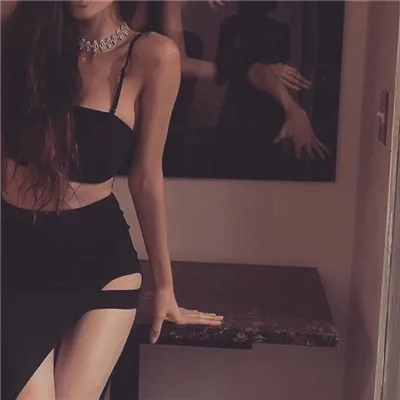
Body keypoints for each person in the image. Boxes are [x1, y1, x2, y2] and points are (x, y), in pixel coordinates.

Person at [1, 2, 223, 399]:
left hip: (99, 262)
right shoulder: (22, 35)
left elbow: (146, 177)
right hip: (16, 258)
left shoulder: (154, 56)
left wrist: (165, 286)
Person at [212, 1, 328, 179]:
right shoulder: (231, 26)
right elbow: (232, 73)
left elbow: (253, 73)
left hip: (262, 118)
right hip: (240, 119)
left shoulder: (279, 30)